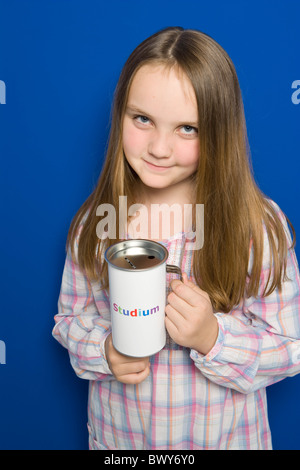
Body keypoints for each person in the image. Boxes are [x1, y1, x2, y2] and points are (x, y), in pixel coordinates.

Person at [52, 27, 300, 450]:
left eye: (187, 128)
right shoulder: (96, 225)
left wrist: (212, 337)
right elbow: (70, 322)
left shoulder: (255, 225)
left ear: (218, 133)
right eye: (142, 119)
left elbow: (290, 347)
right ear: (121, 115)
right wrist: (106, 351)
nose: (159, 148)